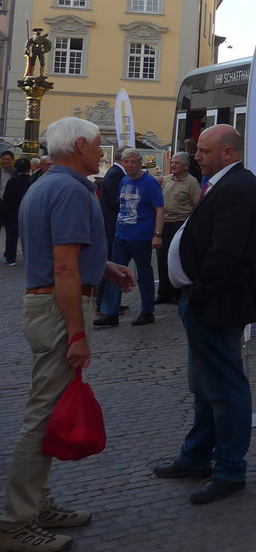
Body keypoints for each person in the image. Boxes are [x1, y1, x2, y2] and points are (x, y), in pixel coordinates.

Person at [0, 118, 135, 552]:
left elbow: (61, 256)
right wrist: (78, 333)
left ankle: (37, 505)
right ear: (80, 145)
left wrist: (103, 267)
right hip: (58, 310)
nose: (102, 152)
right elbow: (62, 267)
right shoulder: (73, 190)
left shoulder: (45, 183)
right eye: (98, 146)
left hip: (45, 303)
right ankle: (15, 523)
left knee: (46, 408)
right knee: (42, 417)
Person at [152, 124, 256, 505]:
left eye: (203, 151)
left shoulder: (236, 187)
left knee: (225, 389)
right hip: (203, 302)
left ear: (228, 154)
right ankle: (196, 457)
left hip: (216, 305)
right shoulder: (222, 183)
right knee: (204, 387)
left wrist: (199, 296)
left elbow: (225, 252)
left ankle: (230, 470)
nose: (195, 156)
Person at [94, 149, 164, 328]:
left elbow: (159, 209)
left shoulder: (149, 182)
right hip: (121, 234)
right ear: (122, 163)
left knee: (144, 274)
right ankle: (110, 312)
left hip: (141, 236)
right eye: (127, 162)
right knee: (114, 273)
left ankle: (147, 311)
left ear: (139, 163)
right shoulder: (124, 180)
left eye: (133, 162)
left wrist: (157, 234)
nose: (130, 165)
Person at [157, 153, 200, 305]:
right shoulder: (167, 179)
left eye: (177, 163)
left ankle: (177, 293)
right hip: (164, 223)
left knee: (176, 259)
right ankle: (163, 293)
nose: (173, 165)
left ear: (186, 166)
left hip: (180, 224)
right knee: (162, 259)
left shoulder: (192, 183)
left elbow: (197, 206)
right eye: (172, 162)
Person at [3, 158, 32, 266]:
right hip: (28, 212)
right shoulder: (32, 180)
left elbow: (6, 197)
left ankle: (11, 259)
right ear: (29, 168)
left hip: (12, 212)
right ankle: (29, 257)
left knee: (11, 236)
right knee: (29, 235)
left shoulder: (12, 181)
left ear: (16, 168)